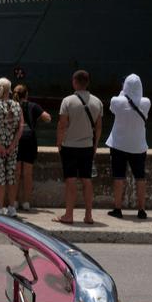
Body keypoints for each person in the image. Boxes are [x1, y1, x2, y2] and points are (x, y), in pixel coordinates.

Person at [55, 70, 104, 225]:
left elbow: (62, 125)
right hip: (87, 146)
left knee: (70, 180)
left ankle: (69, 215)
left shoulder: (67, 101)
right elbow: (99, 127)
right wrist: (95, 145)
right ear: (87, 82)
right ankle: (88, 216)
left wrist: (59, 143)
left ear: (74, 82)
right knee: (87, 180)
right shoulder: (97, 102)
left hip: (69, 146)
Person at [104, 73, 151, 221]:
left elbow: (113, 109)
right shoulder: (146, 102)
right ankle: (141, 210)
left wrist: (122, 93)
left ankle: (117, 208)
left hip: (119, 145)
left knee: (118, 177)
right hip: (138, 146)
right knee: (140, 178)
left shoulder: (116, 101)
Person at [0, 77, 23, 216]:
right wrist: (13, 145)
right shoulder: (16, 105)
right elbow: (20, 127)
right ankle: (12, 208)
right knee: (11, 177)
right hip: (12, 147)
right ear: (10, 89)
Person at [12, 83, 50, 212]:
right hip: (29, 141)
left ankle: (14, 201)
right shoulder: (33, 106)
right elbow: (48, 118)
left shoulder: (12, 106)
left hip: (15, 141)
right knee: (27, 174)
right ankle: (26, 202)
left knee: (16, 173)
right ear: (27, 94)